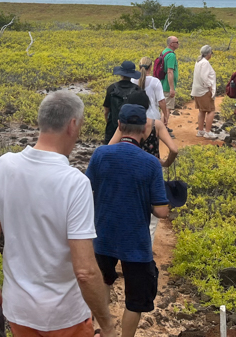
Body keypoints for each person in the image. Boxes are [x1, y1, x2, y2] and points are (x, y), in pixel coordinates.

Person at [0, 91, 118, 337]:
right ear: (72, 124)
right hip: (66, 317)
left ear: (41, 121)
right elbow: (85, 271)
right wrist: (107, 325)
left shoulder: (4, 166)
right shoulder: (75, 183)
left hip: (20, 312)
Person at [86, 104, 169, 337]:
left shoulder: (101, 154)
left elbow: (85, 190)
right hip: (136, 241)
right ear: (144, 129)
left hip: (103, 234)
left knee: (102, 282)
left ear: (120, 126)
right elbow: (161, 212)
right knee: (136, 298)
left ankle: (102, 330)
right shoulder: (151, 163)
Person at [107, 91, 177, 246]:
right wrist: (165, 163)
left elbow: (109, 149)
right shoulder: (155, 125)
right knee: (152, 220)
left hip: (129, 171)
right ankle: (146, 252)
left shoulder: (124, 126)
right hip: (152, 171)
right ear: (147, 107)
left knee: (130, 209)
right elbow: (174, 149)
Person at [103, 61, 141, 143]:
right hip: (131, 130)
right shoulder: (137, 90)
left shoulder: (111, 88)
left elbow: (106, 111)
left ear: (121, 74)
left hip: (112, 128)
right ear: (132, 75)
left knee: (109, 151)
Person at [132, 56, 169, 126]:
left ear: (139, 66)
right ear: (150, 67)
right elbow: (161, 101)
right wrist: (165, 115)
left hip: (136, 116)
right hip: (152, 117)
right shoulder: (155, 81)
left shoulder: (133, 80)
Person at [190, 45, 217, 139]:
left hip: (197, 90)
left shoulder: (198, 61)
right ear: (208, 53)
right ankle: (207, 132)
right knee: (211, 110)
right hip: (204, 90)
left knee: (202, 110)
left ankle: (200, 131)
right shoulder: (205, 63)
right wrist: (209, 86)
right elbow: (204, 77)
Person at [160, 36, 179, 120]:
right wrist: (172, 88)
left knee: (163, 107)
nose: (178, 44)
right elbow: (170, 71)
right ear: (171, 44)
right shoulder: (171, 55)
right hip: (167, 86)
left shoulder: (163, 52)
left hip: (162, 83)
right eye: (177, 42)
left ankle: (162, 128)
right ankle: (163, 128)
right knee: (167, 109)